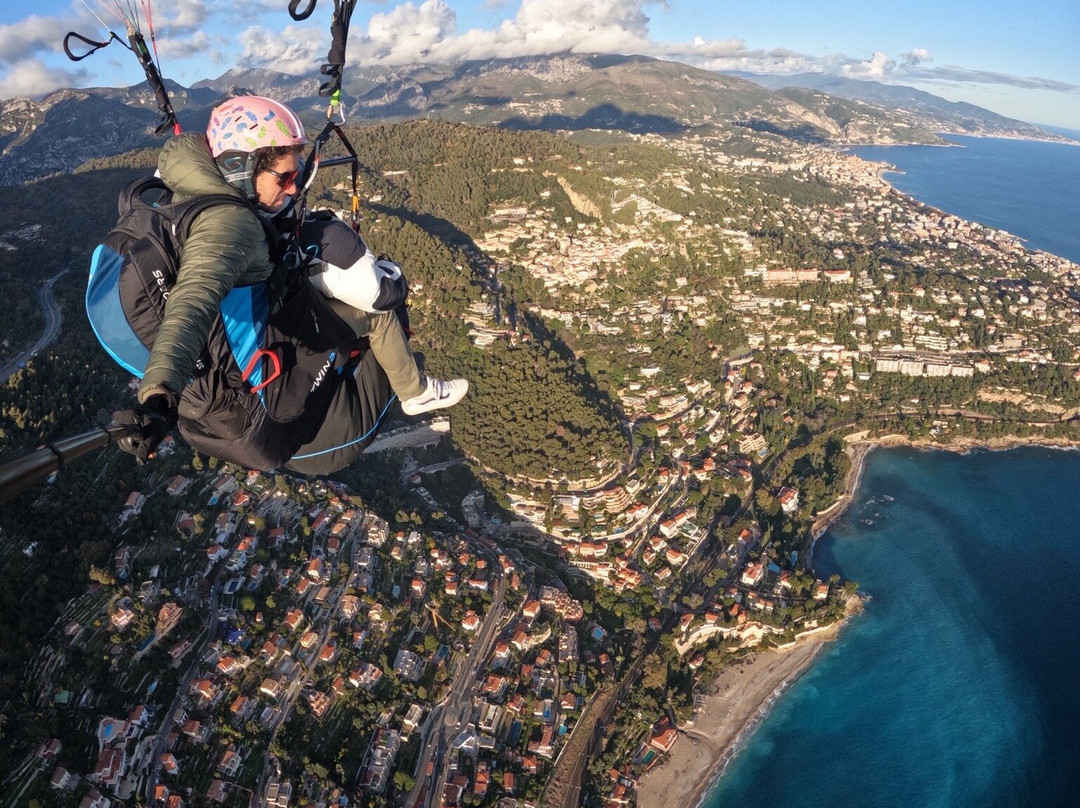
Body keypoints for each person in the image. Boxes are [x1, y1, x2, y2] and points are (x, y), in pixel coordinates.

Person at [117, 95, 467, 471]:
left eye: (296, 176)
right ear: (238, 168)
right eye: (285, 177)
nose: (294, 188)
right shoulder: (229, 226)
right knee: (378, 315)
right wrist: (159, 394)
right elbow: (191, 303)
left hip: (226, 360)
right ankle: (415, 394)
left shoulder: (184, 181)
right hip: (264, 359)